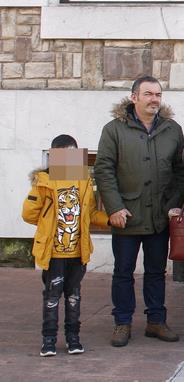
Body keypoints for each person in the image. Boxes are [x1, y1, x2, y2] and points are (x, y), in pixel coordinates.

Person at [94, 76, 184, 347]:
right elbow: (104, 170)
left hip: (159, 216)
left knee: (156, 272)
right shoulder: (114, 129)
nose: (154, 99)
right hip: (127, 216)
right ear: (134, 97)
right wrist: (114, 207)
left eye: (158, 94)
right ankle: (122, 322)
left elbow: (181, 171)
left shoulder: (172, 129)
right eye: (148, 94)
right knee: (123, 272)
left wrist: (173, 204)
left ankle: (156, 321)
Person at [22, 135, 110, 357]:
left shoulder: (83, 182)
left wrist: (109, 219)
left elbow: (89, 214)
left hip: (77, 252)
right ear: (54, 157)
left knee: (74, 296)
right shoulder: (44, 181)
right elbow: (29, 214)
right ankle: (48, 340)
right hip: (53, 253)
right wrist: (47, 222)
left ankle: (73, 339)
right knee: (52, 297)